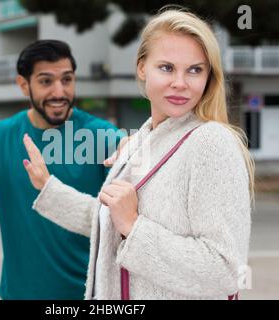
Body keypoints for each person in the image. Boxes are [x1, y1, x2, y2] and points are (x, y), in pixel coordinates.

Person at [23, 8, 254, 300]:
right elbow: (109, 224)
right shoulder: (142, 140)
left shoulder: (212, 143)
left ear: (208, 77)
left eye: (195, 70)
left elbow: (225, 272)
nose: (180, 83)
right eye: (167, 68)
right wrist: (49, 189)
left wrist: (134, 226)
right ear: (142, 68)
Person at [0, 40, 124, 299]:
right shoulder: (2, 135)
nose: (59, 91)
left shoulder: (103, 137)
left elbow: (124, 224)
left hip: (88, 296)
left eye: (67, 79)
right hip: (17, 293)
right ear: (23, 84)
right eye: (46, 81)